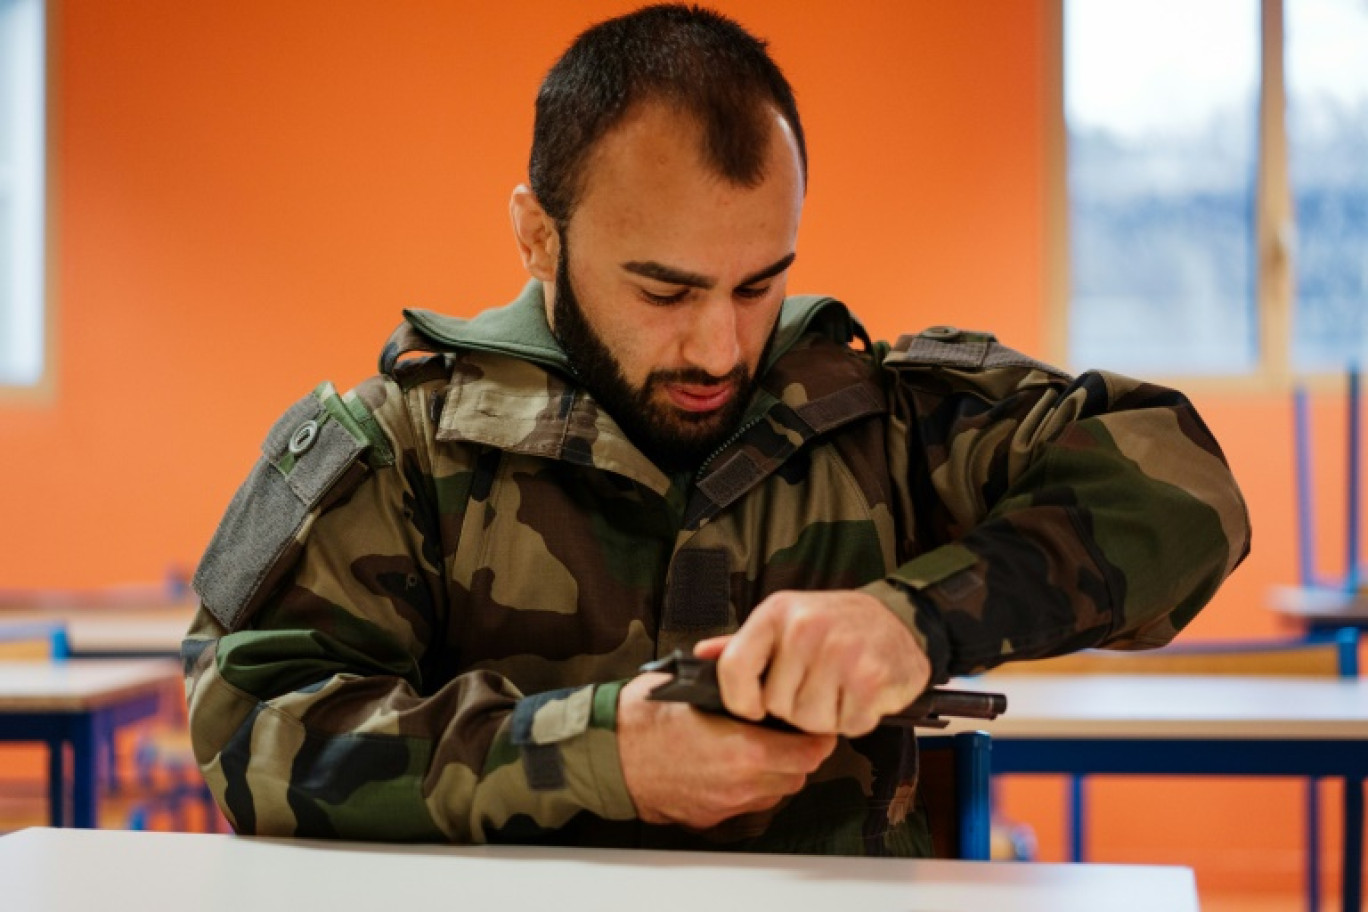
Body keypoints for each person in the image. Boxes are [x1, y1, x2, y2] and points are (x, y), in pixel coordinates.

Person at [183, 4, 1250, 855]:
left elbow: (1180, 484)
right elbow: (249, 727)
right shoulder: (408, 450)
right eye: (664, 291)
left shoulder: (875, 419)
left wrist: (912, 620)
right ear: (537, 236)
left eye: (759, 285)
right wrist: (599, 753)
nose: (719, 348)